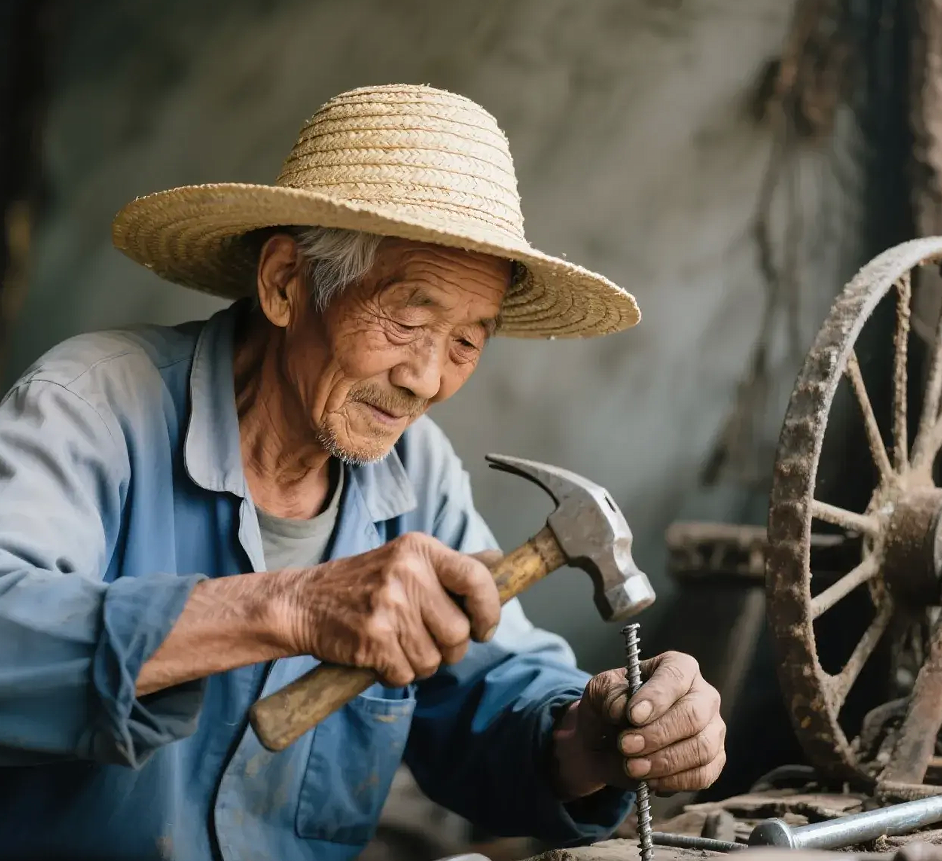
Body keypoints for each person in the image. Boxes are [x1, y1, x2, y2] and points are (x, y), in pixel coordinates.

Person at [0, 84, 725, 861]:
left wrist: (596, 737)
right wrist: (290, 607)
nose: (426, 378)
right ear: (285, 283)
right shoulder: (92, 407)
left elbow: (491, 691)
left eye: (466, 343)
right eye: (408, 320)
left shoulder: (418, 473)